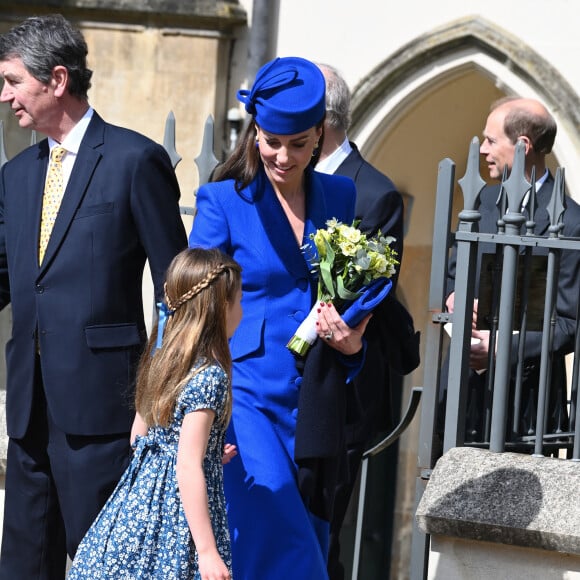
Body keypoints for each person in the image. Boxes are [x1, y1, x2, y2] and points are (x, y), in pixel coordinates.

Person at [0, 14, 187, 579]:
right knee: (21, 568)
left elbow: (177, 289)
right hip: (29, 413)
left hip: (107, 414)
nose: (4, 95)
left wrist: (157, 398)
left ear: (57, 80)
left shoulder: (134, 159)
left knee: (109, 567)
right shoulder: (16, 173)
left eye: (12, 81)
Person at [189, 56, 370, 579]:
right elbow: (187, 302)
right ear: (254, 134)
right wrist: (161, 401)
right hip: (243, 396)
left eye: (297, 143)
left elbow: (347, 290)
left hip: (315, 399)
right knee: (290, 549)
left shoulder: (341, 194)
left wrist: (352, 345)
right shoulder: (224, 200)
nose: (283, 156)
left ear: (320, 136)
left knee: (302, 537)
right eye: (271, 141)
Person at [68, 248, 241, 579]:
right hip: (177, 519)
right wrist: (206, 552)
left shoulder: (161, 360)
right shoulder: (210, 376)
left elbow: (140, 436)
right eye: (240, 302)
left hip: (138, 506)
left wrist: (207, 456)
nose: (242, 312)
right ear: (221, 308)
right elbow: (187, 463)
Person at [315, 63, 412, 580]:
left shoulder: (374, 194)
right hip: (263, 386)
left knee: (318, 532)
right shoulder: (269, 181)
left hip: (333, 386)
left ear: (321, 120)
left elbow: (366, 293)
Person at [444, 96, 580, 443]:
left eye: (491, 140)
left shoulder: (572, 221)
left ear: (523, 145)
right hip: (460, 393)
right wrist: (454, 298)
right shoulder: (481, 202)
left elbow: (568, 324)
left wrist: (502, 348)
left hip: (528, 407)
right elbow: (451, 274)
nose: (483, 150)